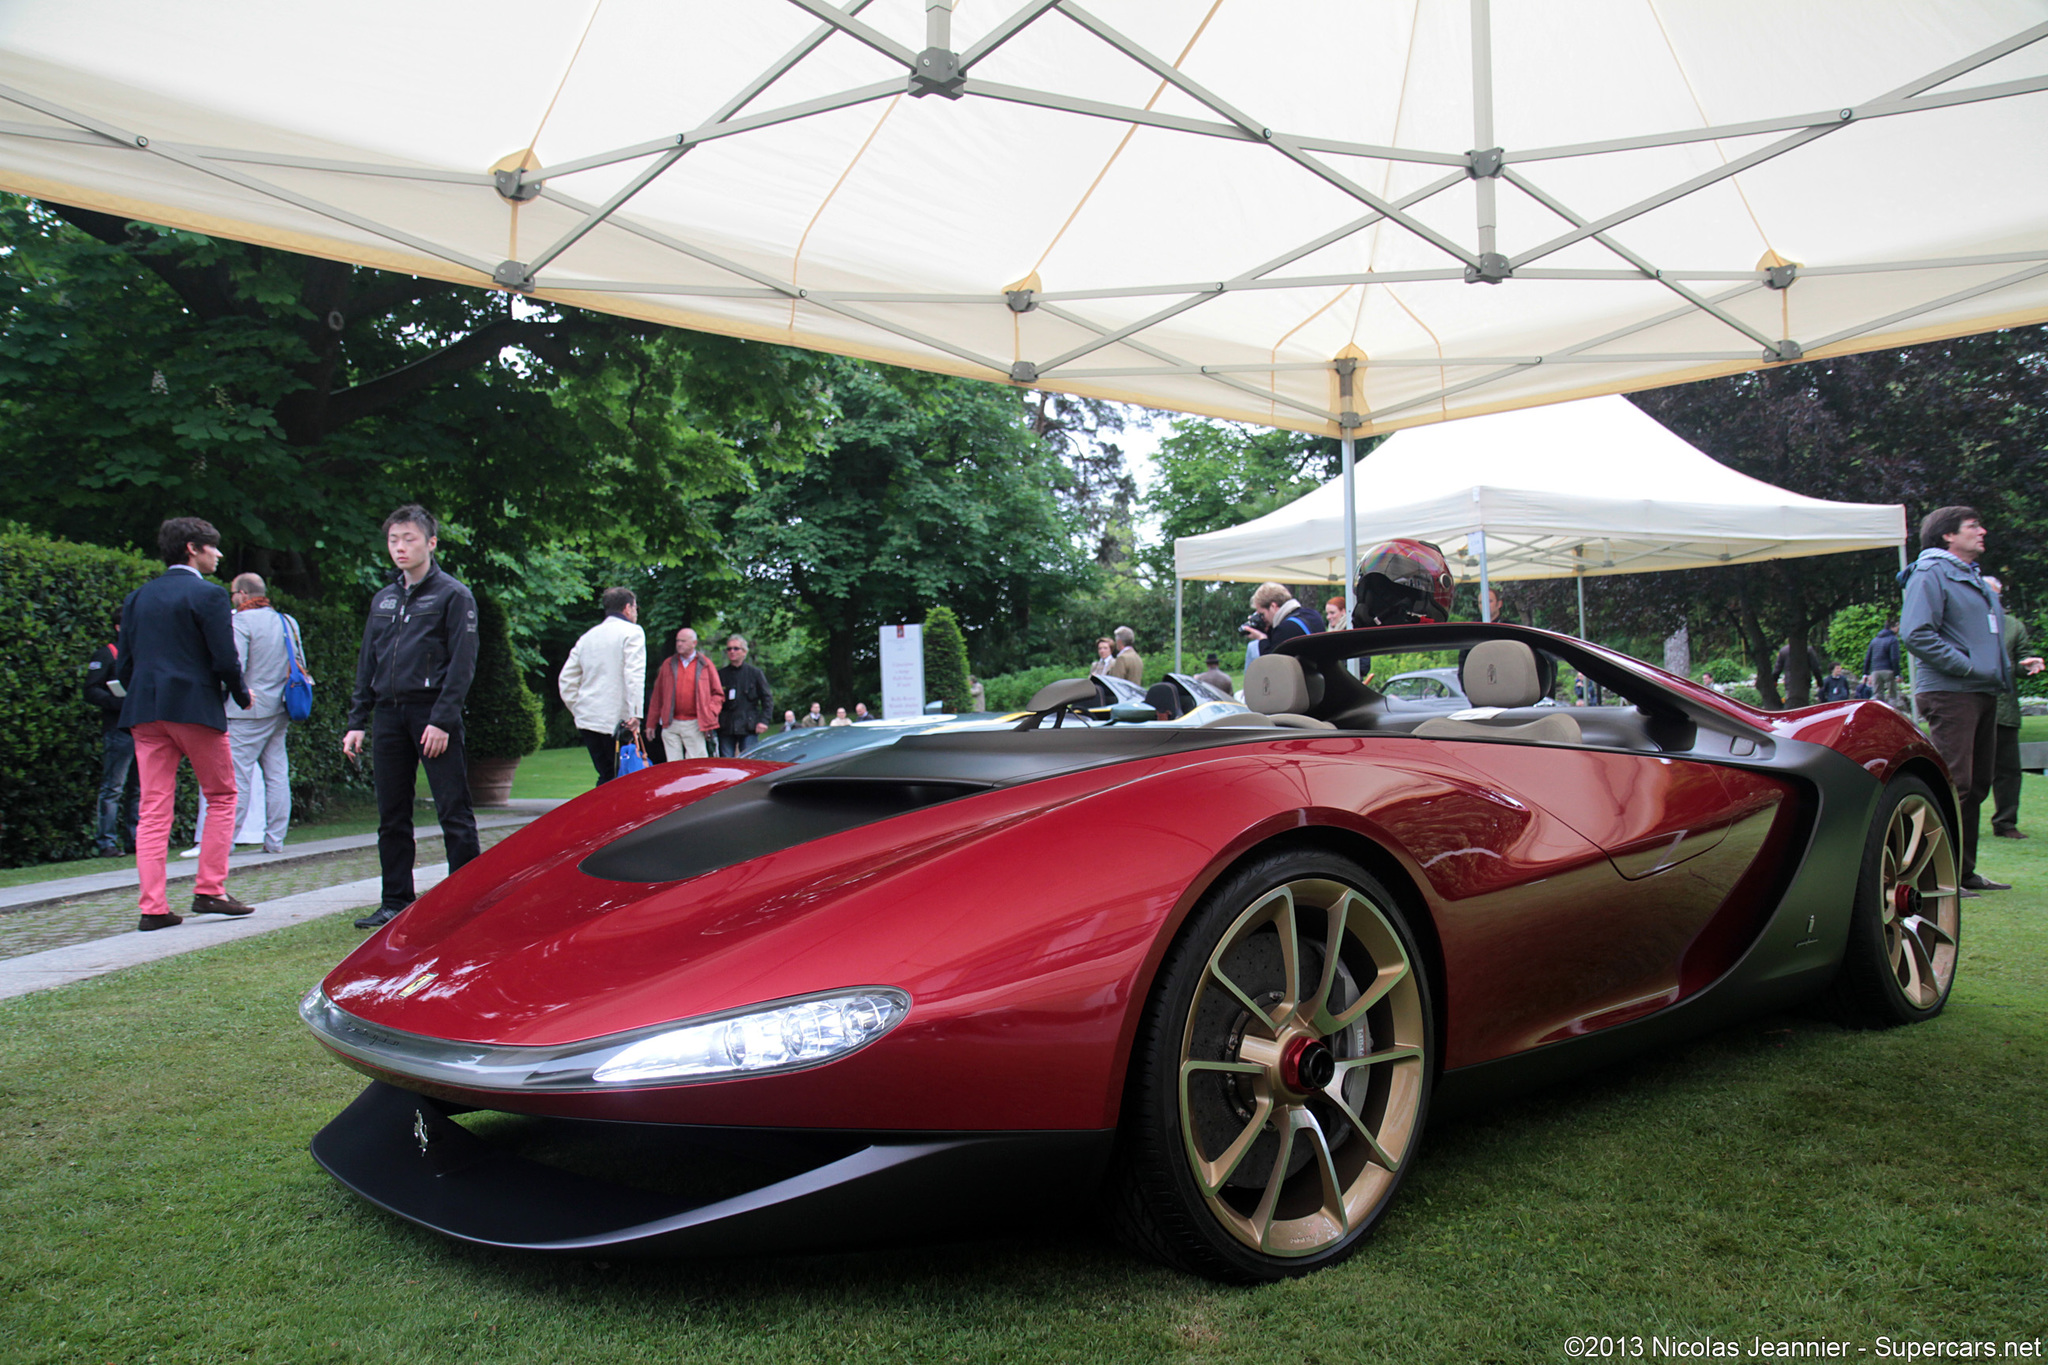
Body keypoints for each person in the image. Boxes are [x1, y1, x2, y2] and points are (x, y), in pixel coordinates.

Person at [342, 504, 481, 931]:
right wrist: (356, 719)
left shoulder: (454, 596)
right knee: (392, 814)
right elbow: (369, 661)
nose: (400, 548)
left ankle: (469, 901)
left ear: (431, 543)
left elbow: (462, 663)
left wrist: (441, 719)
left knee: (453, 812)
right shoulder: (383, 599)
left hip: (432, 715)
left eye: (409, 539)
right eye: (393, 540)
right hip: (387, 717)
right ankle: (395, 901)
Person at [116, 516, 254, 931]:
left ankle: (153, 907)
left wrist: (144, 691)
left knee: (154, 808)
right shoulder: (209, 596)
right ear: (193, 548)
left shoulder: (137, 598)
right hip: (194, 708)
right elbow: (224, 657)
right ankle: (210, 889)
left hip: (145, 711)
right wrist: (240, 693)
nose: (219, 554)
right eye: (213, 547)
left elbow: (125, 665)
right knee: (222, 794)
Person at [1899, 506, 2036, 895]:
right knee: (1954, 784)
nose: (1983, 531)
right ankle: (1933, 877)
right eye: (1973, 526)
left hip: (1980, 691)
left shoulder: (1969, 576)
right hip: (1950, 692)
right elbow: (1916, 633)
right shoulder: (1930, 572)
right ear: (1947, 535)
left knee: (1976, 785)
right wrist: (1967, 667)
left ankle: (1962, 872)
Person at [223, 573, 299, 853]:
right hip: (281, 706)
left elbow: (236, 667)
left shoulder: (240, 622)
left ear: (242, 594)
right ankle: (275, 840)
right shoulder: (287, 621)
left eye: (233, 593)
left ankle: (225, 842)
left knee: (238, 777)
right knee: (277, 774)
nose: (232, 598)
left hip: (247, 710)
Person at [558, 587, 646, 785]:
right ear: (627, 608)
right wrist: (635, 713)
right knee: (620, 778)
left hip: (588, 719)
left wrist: (579, 708)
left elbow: (566, 679)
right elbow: (634, 673)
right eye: (635, 608)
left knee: (606, 775)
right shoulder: (632, 632)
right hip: (616, 721)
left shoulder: (588, 637)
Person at [1983, 577, 2044, 839]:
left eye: (1994, 595)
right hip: (1968, 708)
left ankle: (2006, 822)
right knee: (1965, 771)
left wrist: (2027, 665)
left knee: (2008, 770)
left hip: (2003, 708)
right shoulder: (1960, 624)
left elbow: (2020, 660)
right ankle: (1958, 821)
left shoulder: (2013, 626)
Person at [82, 605, 139, 857]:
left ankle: (136, 840)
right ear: (119, 627)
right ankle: (106, 842)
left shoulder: (141, 653)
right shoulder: (106, 654)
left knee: (140, 789)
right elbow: (91, 690)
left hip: (142, 728)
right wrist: (119, 702)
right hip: (118, 729)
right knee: (113, 787)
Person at [645, 626, 721, 762]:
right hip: (671, 723)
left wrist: (709, 713)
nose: (679, 644)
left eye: (683, 641)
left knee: (697, 764)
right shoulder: (668, 664)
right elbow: (657, 696)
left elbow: (718, 694)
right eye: (677, 641)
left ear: (694, 643)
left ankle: (698, 784)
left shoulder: (705, 664)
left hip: (694, 723)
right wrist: (651, 723)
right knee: (673, 765)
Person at [716, 635, 773, 757]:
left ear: (744, 652)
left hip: (749, 725)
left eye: (736, 648)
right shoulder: (720, 675)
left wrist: (764, 721)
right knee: (726, 761)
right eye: (729, 649)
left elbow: (767, 698)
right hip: (726, 726)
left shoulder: (755, 673)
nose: (732, 652)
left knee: (749, 759)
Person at [1245, 582, 1324, 657]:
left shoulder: (1284, 629)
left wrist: (1262, 638)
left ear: (1273, 606)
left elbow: (1271, 664)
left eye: (1262, 614)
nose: (1263, 619)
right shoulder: (1313, 614)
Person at [1863, 620, 1902, 705]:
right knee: (1892, 696)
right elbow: (1894, 658)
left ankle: (1879, 714)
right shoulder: (1893, 639)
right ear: (1893, 627)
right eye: (1897, 626)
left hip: (1876, 671)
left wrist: (1865, 673)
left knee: (1877, 695)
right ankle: (1891, 714)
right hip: (1888, 670)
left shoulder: (1874, 640)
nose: (1898, 628)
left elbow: (1868, 658)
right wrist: (1897, 674)